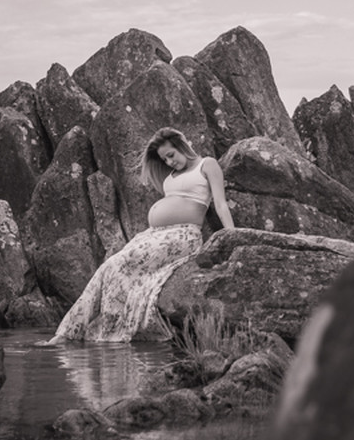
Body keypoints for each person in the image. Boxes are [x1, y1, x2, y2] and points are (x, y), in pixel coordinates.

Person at [45, 127, 234, 343]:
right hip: (154, 234)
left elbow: (220, 204)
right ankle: (69, 332)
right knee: (108, 267)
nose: (169, 162)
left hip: (182, 236)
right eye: (165, 160)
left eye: (171, 155)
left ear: (182, 145)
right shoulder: (172, 175)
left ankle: (108, 332)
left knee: (120, 264)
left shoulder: (207, 164)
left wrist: (233, 237)